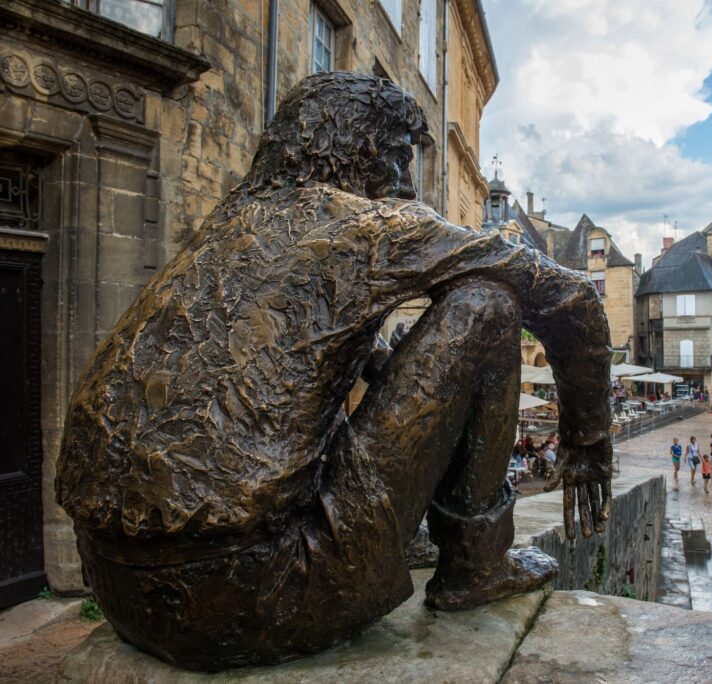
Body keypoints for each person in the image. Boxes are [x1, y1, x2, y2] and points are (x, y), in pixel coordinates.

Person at [54, 72, 612, 670]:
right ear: (365, 152)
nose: (404, 184)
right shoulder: (366, 226)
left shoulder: (224, 229)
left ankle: (409, 542)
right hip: (256, 596)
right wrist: (589, 442)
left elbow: (283, 376)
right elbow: (574, 298)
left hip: (120, 590)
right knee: (489, 305)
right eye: (401, 159)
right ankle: (477, 564)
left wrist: (390, 368)